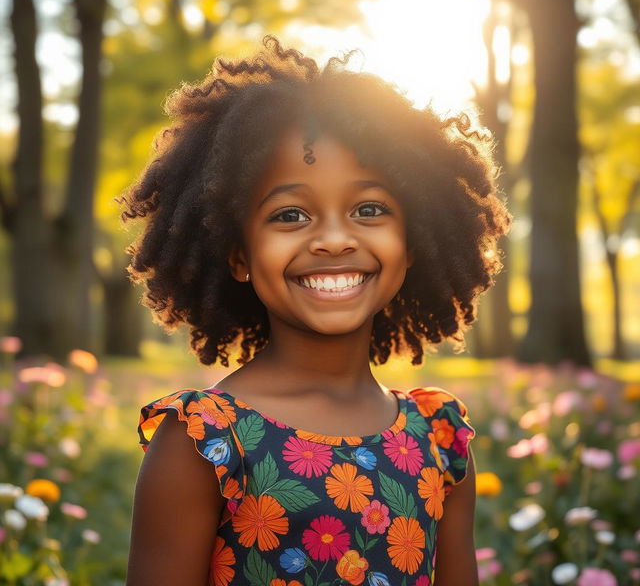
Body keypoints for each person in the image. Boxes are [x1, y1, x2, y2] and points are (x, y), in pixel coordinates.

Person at [122, 36, 511, 586]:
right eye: (290, 215)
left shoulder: (439, 440)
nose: (332, 239)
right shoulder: (204, 441)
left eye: (368, 209)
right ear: (238, 254)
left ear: (415, 240)